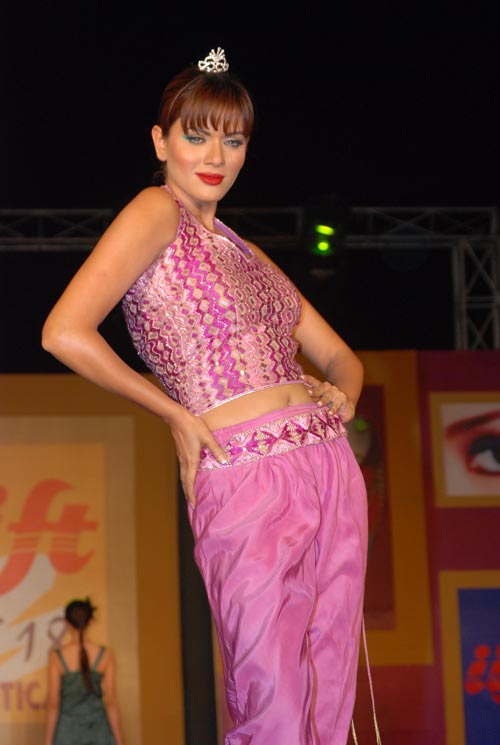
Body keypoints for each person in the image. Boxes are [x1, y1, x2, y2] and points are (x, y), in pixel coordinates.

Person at [42, 46, 370, 744]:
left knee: (327, 691)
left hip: (326, 465)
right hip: (243, 472)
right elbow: (63, 332)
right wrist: (172, 413)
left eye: (234, 139)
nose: (216, 154)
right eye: (196, 135)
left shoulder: (249, 252)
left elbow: (341, 355)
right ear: (160, 142)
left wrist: (343, 394)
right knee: (273, 698)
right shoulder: (154, 211)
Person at [43, 598, 125, 745]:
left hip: (67, 733)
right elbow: (111, 701)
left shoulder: (57, 657)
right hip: (98, 730)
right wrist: (120, 741)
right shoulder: (106, 655)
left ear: (66, 623)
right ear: (90, 622)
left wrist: (48, 741)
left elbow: (53, 703)